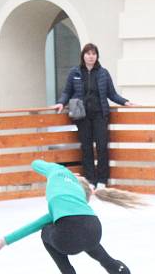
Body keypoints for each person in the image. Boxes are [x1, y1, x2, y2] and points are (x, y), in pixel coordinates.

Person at [0, 159, 146, 274]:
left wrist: (2, 241)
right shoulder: (79, 198)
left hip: (68, 237)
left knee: (47, 231)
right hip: (95, 228)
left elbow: (35, 163)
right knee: (81, 231)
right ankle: (114, 265)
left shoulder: (57, 171)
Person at [51, 43, 135, 190]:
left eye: (94, 54)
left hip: (100, 115)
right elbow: (67, 92)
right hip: (82, 116)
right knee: (87, 148)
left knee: (102, 147)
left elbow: (112, 94)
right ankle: (90, 180)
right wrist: (60, 103)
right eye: (88, 53)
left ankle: (102, 180)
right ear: (83, 56)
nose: (91, 56)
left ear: (97, 56)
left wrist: (125, 102)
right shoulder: (75, 72)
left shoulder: (103, 73)